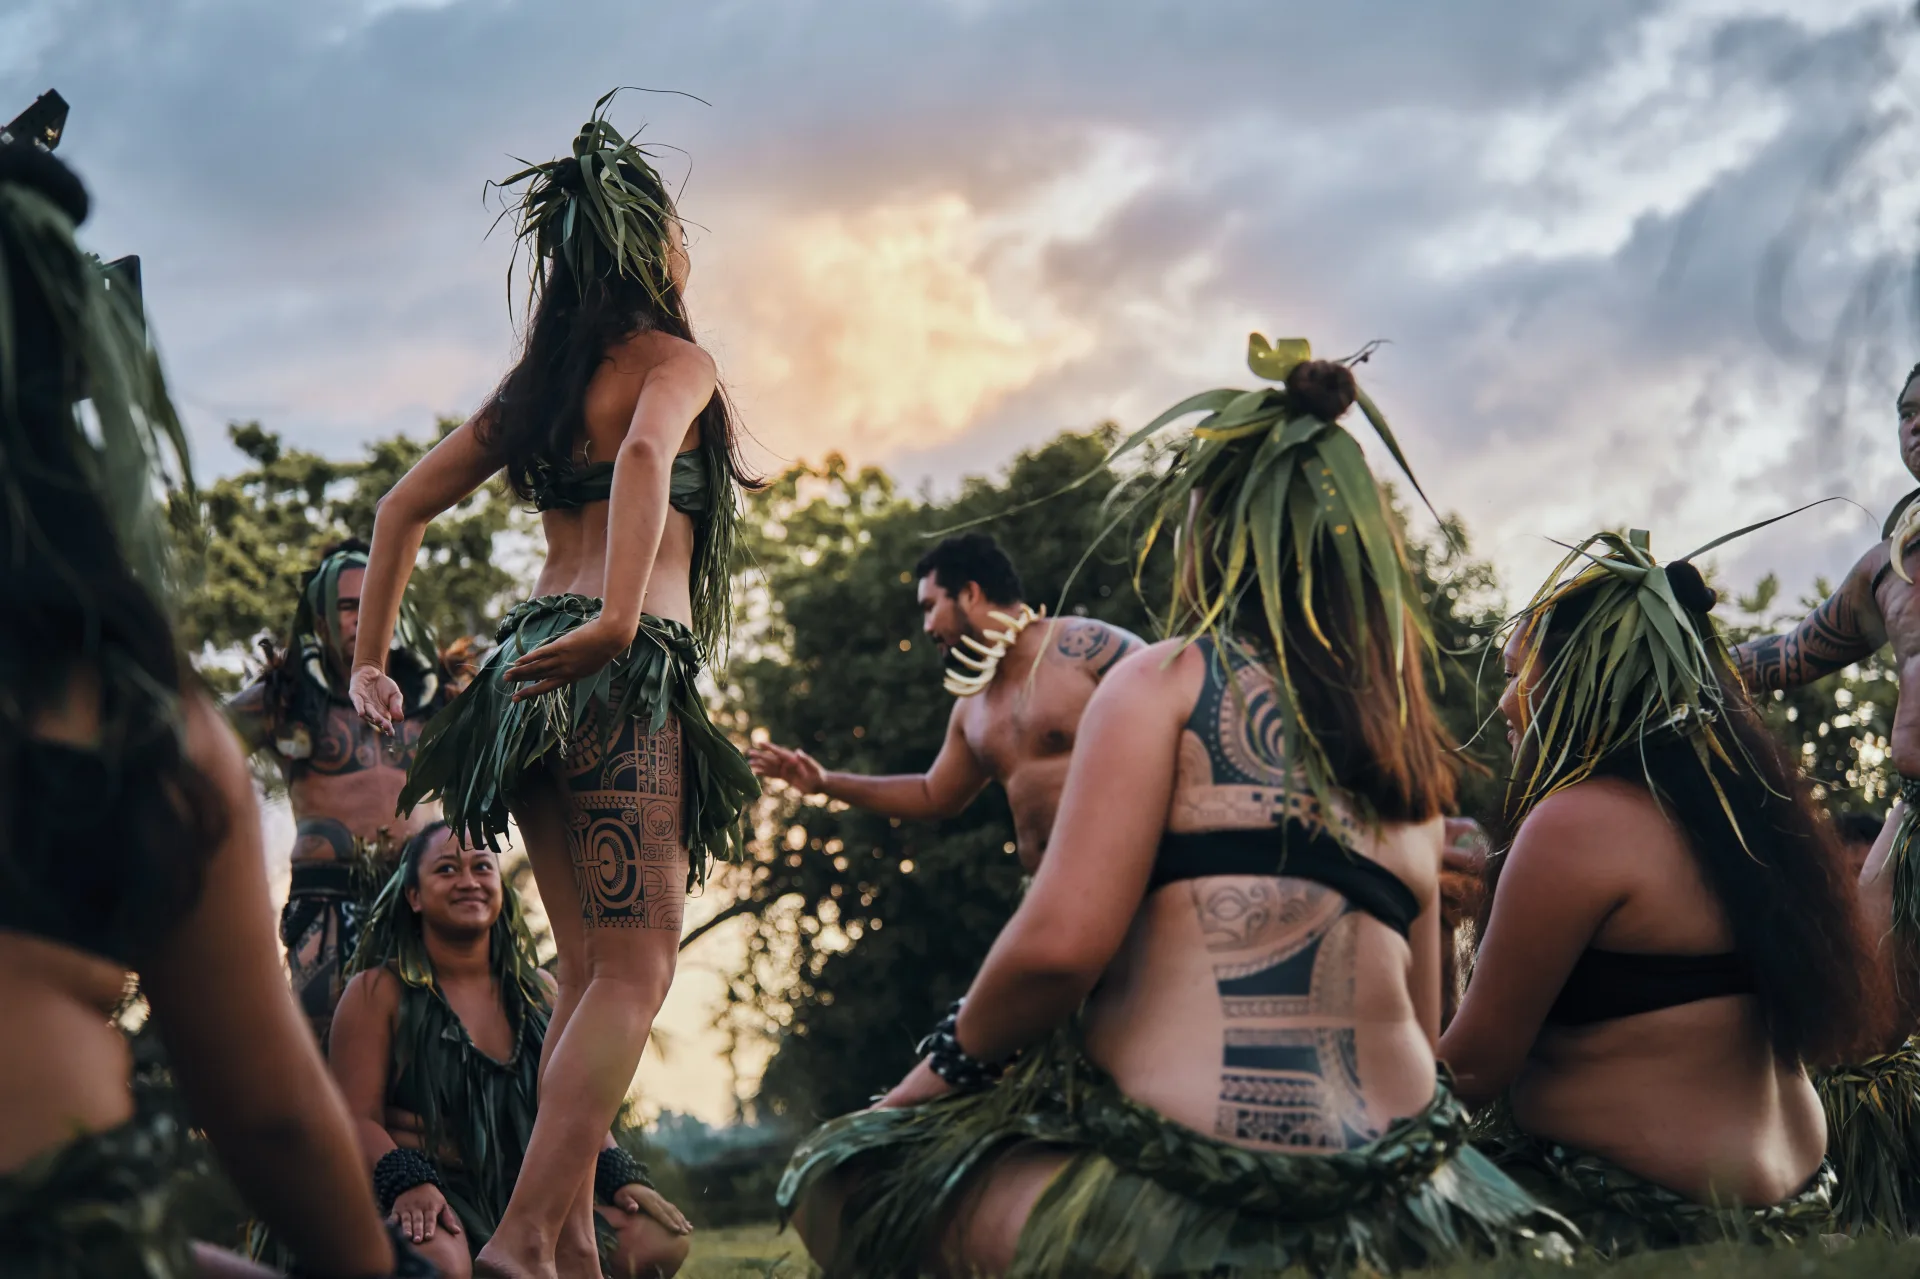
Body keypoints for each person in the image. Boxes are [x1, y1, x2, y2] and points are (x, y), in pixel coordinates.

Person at [779, 339, 1572, 1276]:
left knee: (845, 1179)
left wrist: (920, 1086)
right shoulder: (1404, 765)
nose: (925, 624)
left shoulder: (1152, 676)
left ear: (1208, 534)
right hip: (1412, 1209)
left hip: (1196, 1204)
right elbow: (1432, 1043)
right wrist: (825, 780)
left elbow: (1059, 946)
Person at [347, 92, 758, 1279]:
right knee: (638, 967)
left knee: (583, 971)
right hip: (609, 667)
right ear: (652, 250)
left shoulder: (538, 384)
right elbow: (643, 455)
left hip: (524, 676)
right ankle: (523, 1240)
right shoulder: (677, 361)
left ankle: (573, 1242)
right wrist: (623, 620)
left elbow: (399, 507)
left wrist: (375, 657)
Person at [0, 138, 427, 1275]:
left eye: (365, 603)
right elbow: (273, 1114)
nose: (355, 620)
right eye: (339, 604)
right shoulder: (139, 720)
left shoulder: (419, 708)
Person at [1440, 529, 1882, 1254]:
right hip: (1800, 1209)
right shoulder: (1750, 810)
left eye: (1519, 671)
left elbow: (1472, 1070)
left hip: (1640, 1218)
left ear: (1571, 679)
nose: (1507, 699)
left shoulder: (1577, 821)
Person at [330, 824, 692, 1279]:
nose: (468, 881)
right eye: (446, 869)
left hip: (532, 1195)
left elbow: (578, 1095)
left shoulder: (539, 990)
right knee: (436, 1262)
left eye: (482, 867)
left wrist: (620, 1174)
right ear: (414, 896)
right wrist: (408, 1180)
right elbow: (354, 1117)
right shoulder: (377, 992)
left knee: (658, 1240)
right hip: (439, 1194)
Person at [749, 533, 1140, 871]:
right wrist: (825, 783)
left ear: (970, 593)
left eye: (930, 607)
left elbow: (1179, 703)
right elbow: (932, 794)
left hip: (1137, 871)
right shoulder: (972, 709)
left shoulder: (1085, 646)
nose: (927, 627)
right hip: (1049, 895)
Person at [1731, 365, 1920, 1023]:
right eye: (1906, 411)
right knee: (1871, 1007)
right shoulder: (1889, 563)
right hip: (1916, 811)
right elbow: (1798, 650)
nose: (1915, 422)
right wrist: (1691, 660)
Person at [229, 540, 453, 1042]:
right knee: (325, 1050)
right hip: (325, 899)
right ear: (324, 621)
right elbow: (194, 745)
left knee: (432, 1054)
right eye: (350, 606)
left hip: (420, 899)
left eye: (377, 601)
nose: (364, 617)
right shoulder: (283, 698)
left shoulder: (436, 697)